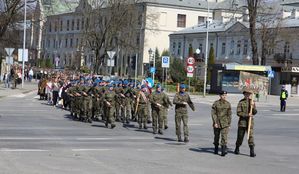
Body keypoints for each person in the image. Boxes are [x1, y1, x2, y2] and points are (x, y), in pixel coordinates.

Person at [234, 90, 257, 157]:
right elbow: (238, 112)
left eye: (249, 94)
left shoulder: (252, 101)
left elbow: (255, 112)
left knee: (250, 136)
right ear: (244, 95)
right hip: (242, 122)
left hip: (250, 122)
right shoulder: (241, 102)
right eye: (246, 94)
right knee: (240, 136)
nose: (248, 95)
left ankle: (252, 151)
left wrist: (252, 107)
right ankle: (237, 148)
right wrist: (247, 115)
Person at [211, 91, 232, 156]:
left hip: (225, 123)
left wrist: (229, 123)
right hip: (217, 122)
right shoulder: (216, 103)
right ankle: (216, 148)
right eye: (223, 95)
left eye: (225, 95)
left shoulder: (228, 104)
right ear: (220, 96)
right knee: (216, 137)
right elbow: (213, 113)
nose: (224, 96)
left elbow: (229, 115)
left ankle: (223, 150)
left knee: (224, 137)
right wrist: (215, 122)